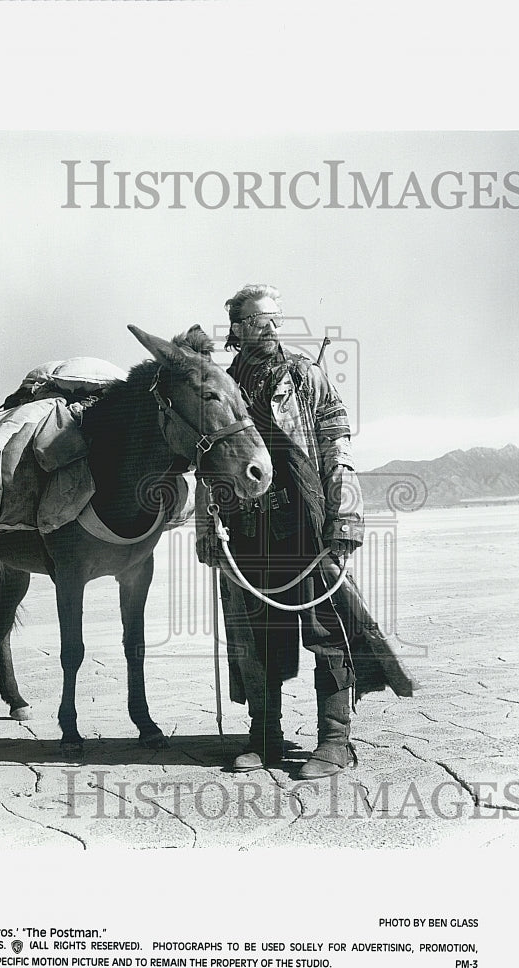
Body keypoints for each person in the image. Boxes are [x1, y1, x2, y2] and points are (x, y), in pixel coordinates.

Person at [196, 283, 365, 777]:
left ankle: (335, 741)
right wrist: (209, 527)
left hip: (306, 523)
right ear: (238, 329)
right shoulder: (219, 388)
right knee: (255, 636)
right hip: (247, 528)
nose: (269, 328)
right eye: (257, 321)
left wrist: (345, 516)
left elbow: (337, 447)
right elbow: (207, 464)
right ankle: (265, 737)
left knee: (326, 629)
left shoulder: (307, 377)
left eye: (276, 319)